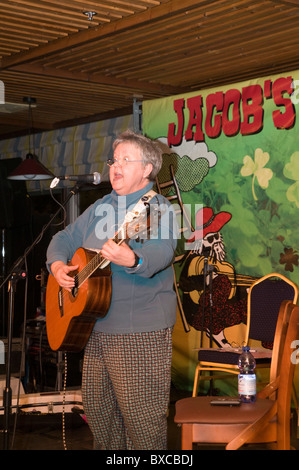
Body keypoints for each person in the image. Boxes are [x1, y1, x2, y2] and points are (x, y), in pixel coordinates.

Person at [46, 130, 178, 450]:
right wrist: (58, 266)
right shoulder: (100, 207)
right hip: (94, 328)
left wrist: (132, 258)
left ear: (147, 169)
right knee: (100, 417)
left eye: (125, 160)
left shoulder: (158, 208)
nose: (115, 167)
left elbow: (163, 251)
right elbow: (61, 240)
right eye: (113, 160)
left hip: (138, 333)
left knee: (141, 423)